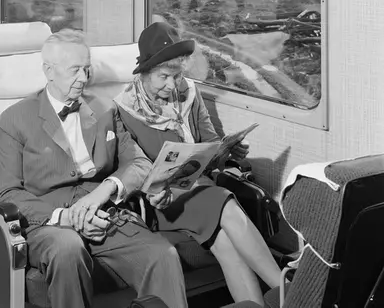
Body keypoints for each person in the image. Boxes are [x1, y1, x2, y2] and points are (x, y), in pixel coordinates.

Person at [0, 29, 189, 308]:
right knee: (67, 249)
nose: (84, 78)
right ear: (49, 71)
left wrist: (105, 190)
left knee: (163, 255)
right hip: (50, 224)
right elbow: (6, 192)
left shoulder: (105, 108)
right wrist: (65, 217)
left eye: (86, 69)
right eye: (74, 70)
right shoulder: (15, 118)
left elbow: (139, 163)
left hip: (104, 214)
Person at [114, 22, 281, 306]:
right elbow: (130, 168)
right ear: (145, 73)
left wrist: (229, 152)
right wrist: (156, 190)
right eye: (163, 77)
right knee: (224, 201)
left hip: (198, 187)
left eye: (177, 75)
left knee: (226, 245)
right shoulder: (123, 108)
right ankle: (289, 291)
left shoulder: (189, 93)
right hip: (159, 201)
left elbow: (210, 143)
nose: (172, 85)